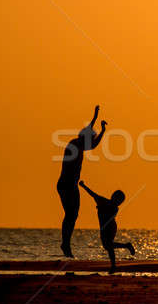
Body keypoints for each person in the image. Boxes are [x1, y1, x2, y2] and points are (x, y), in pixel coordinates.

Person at [57, 105, 106, 258]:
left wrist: (102, 131)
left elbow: (93, 144)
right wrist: (94, 119)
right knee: (70, 214)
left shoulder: (81, 144)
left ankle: (66, 243)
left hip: (71, 185)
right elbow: (90, 140)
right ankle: (65, 243)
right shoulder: (75, 143)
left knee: (73, 214)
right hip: (66, 185)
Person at [79, 180, 135, 273]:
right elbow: (92, 194)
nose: (118, 203)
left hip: (109, 227)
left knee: (108, 245)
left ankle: (114, 264)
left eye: (120, 201)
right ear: (113, 197)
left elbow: (108, 214)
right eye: (118, 200)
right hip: (107, 227)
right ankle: (116, 262)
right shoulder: (104, 201)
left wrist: (101, 208)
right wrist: (83, 186)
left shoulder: (112, 206)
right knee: (108, 246)